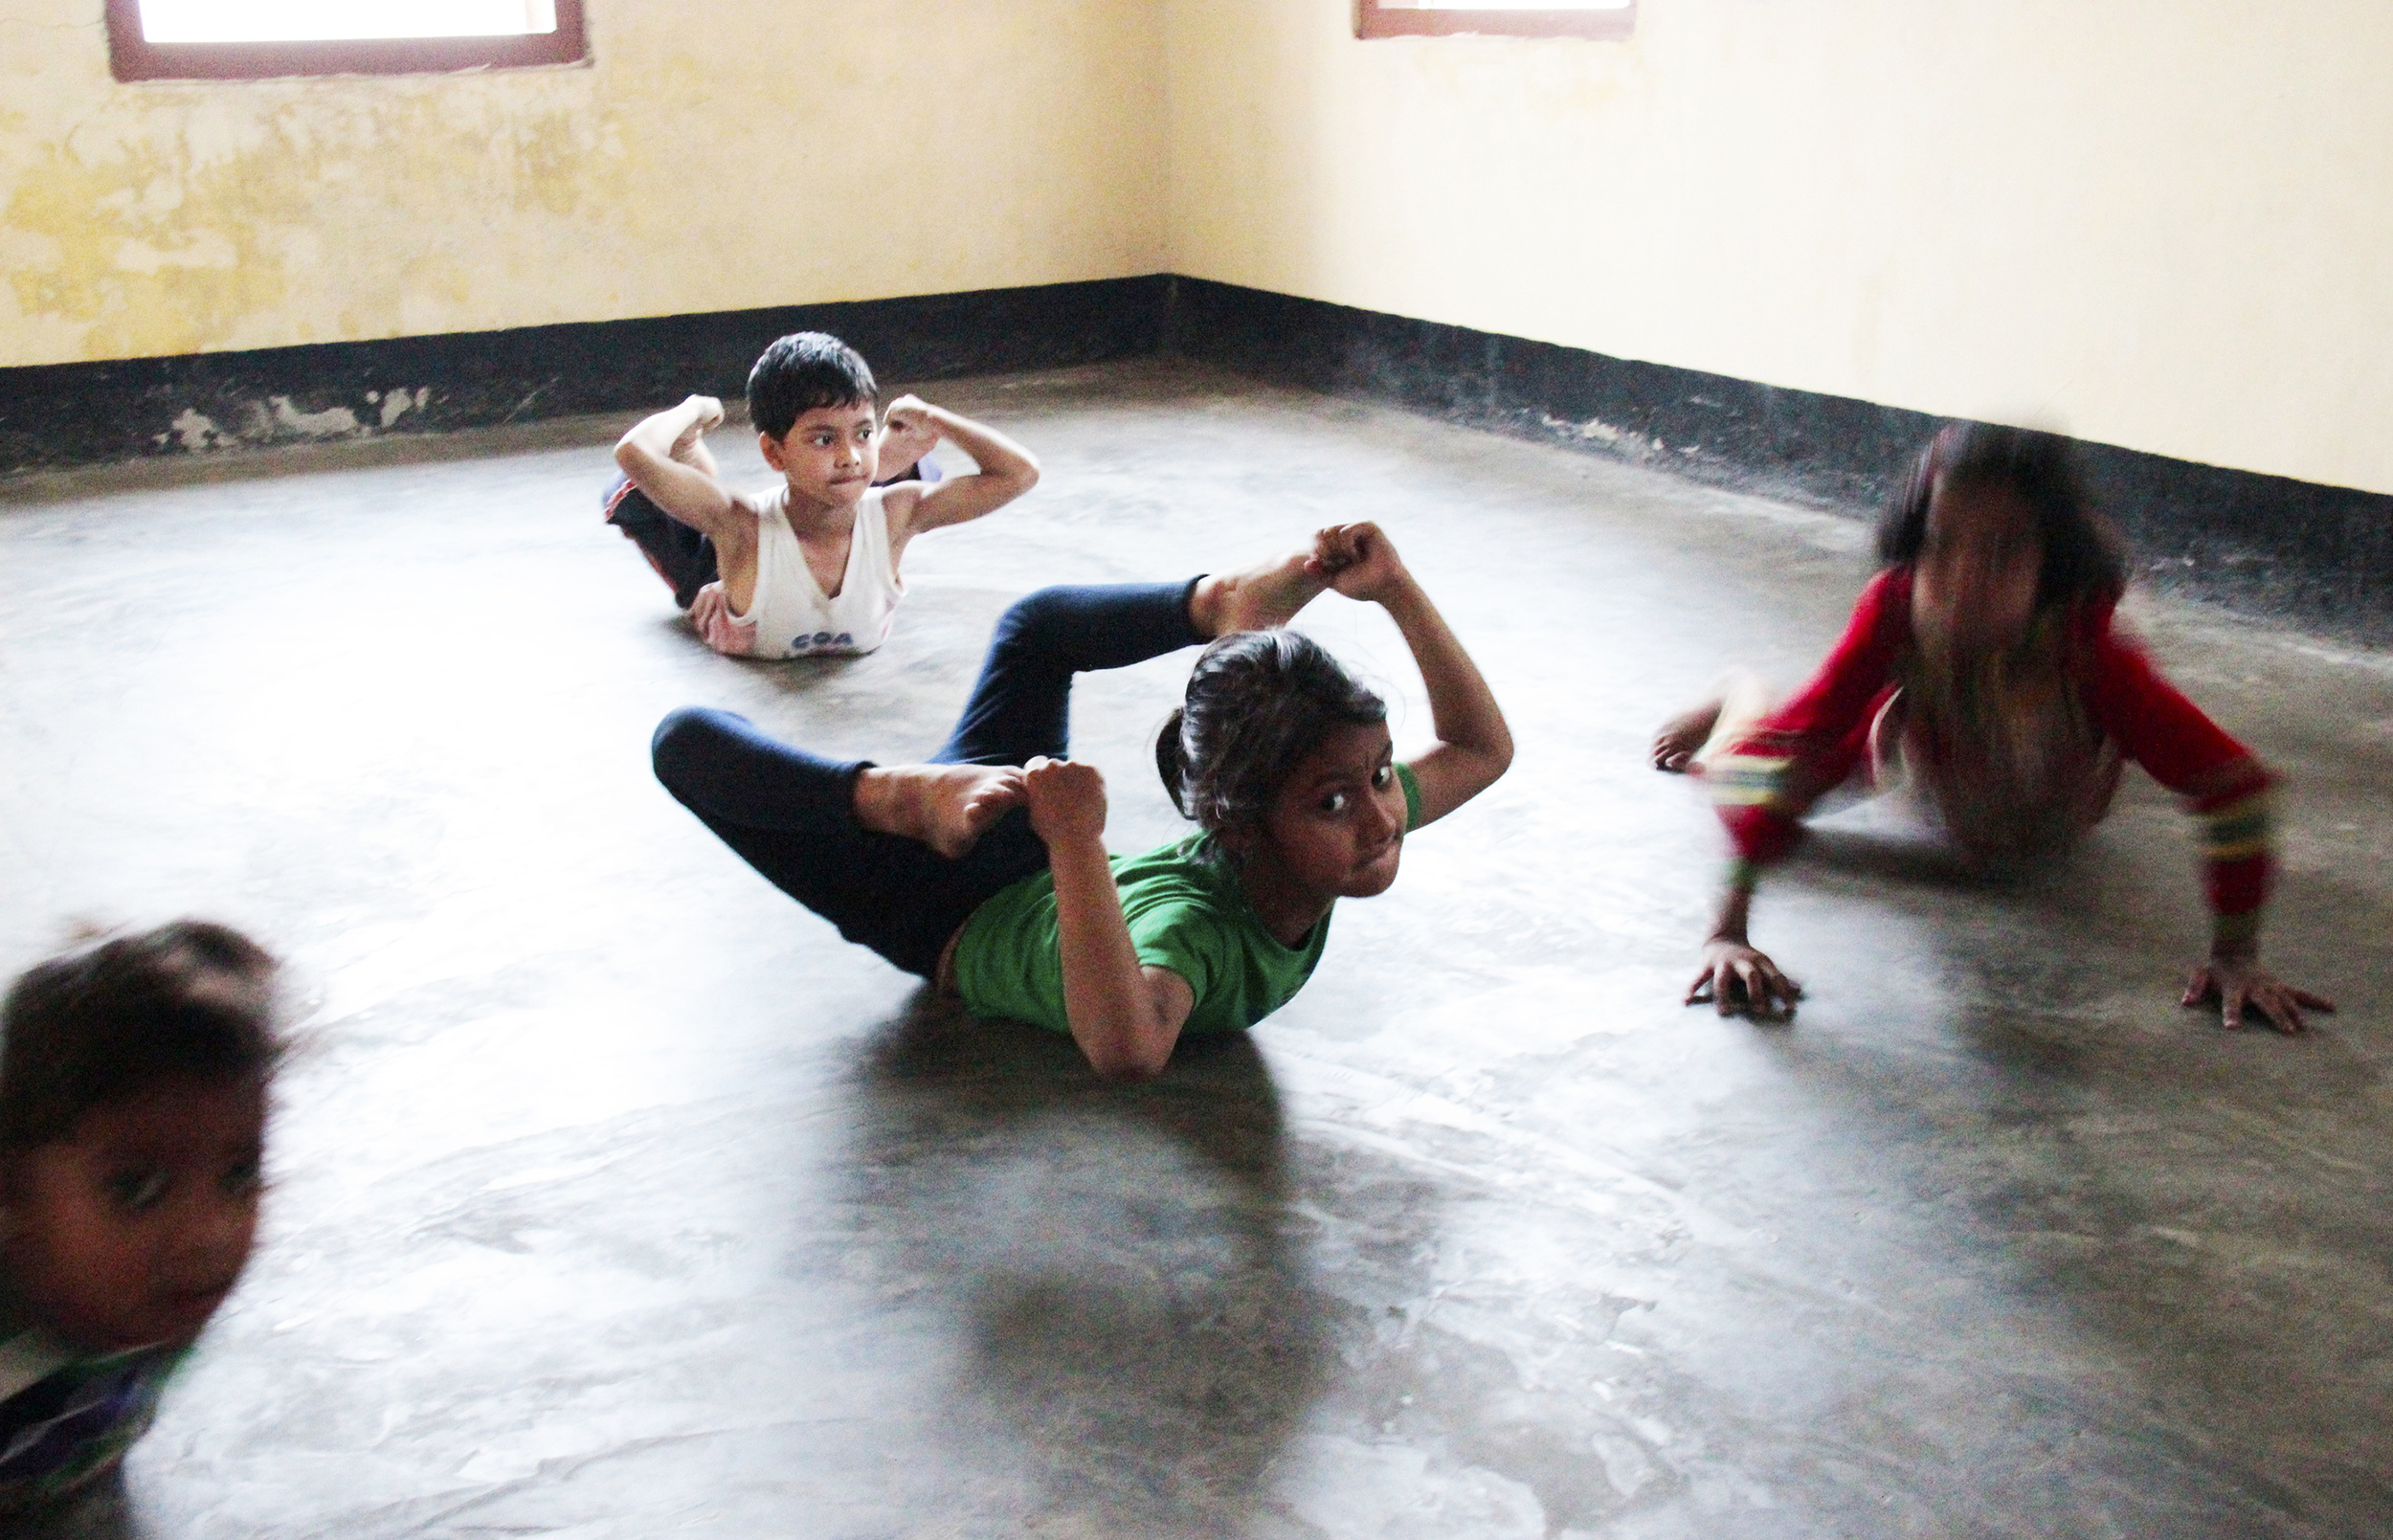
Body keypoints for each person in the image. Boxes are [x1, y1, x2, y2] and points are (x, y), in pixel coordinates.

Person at [651, 524, 1512, 1079]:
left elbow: (1480, 750)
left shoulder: (1325, 826)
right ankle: (899, 791)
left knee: (1036, 633)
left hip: (1022, 835)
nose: (1381, 817)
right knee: (685, 741)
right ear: (1240, 826)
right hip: (931, 902)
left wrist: (1398, 587)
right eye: (1333, 801)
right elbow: (1128, 1047)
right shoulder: (1194, 928)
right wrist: (1071, 839)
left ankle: (1221, 610)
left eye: (1377, 775)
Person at [1655, 423, 2332, 1034]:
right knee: (1738, 774)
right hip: (1910, 745)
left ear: (2050, 573)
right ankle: (1736, 691)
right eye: (1941, 547)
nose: (1962, 582)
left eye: (2002, 554)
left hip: (2047, 782)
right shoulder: (1894, 611)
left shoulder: (2089, 650)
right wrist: (1728, 932)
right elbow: (1787, 755)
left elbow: (2234, 787)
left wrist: (2235, 954)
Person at [0, 922, 278, 1519]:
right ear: (13, 1190)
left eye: (239, 1174)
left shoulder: (150, 1294)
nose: (210, 1235)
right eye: (136, 1189)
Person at [603, 331, 1040, 659]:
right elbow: (634, 452)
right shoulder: (740, 524)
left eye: (863, 433)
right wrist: (692, 409)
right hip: (730, 564)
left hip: (837, 512)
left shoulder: (896, 516)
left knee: (903, 479)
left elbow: (1019, 473)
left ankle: (884, 461)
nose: (850, 455)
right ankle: (689, 454)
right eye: (824, 439)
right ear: (774, 452)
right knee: (637, 497)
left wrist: (934, 417)